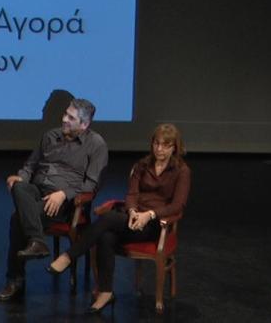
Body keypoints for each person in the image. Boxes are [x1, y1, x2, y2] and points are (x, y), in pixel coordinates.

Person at [46, 123, 191, 313]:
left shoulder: (181, 171)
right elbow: (132, 195)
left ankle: (69, 256)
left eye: (165, 145)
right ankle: (106, 292)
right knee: (106, 237)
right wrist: (132, 212)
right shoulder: (142, 165)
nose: (159, 149)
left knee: (108, 219)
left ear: (175, 147)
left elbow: (177, 205)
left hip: (155, 224)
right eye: (156, 143)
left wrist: (149, 215)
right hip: (131, 218)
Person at [0, 98, 108, 303]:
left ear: (84, 124)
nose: (64, 119)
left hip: (64, 202)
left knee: (17, 219)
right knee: (19, 187)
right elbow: (30, 166)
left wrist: (64, 193)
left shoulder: (96, 144)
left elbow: (92, 184)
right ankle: (38, 241)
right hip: (37, 191)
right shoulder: (50, 136)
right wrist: (20, 177)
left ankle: (15, 280)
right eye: (65, 114)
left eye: (71, 118)